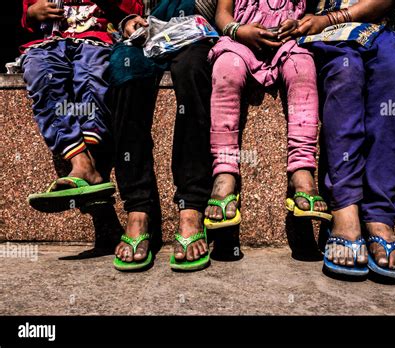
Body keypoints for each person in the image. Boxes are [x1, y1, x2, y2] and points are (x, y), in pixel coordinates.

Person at [293, 0, 395, 280]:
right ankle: (344, 208)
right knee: (346, 71)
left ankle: (379, 214)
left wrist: (336, 16)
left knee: (394, 68)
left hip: (377, 29)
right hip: (326, 35)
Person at [204, 0, 332, 232]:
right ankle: (224, 171)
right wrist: (239, 30)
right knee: (226, 71)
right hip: (239, 43)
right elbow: (223, 15)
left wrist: (297, 25)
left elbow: (312, 13)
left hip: (288, 45)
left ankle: (302, 169)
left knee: (302, 68)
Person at [108, 0, 218, 271]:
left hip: (197, 32)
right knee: (125, 69)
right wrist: (128, 21)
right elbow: (123, 9)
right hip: (149, 34)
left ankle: (191, 206)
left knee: (192, 70)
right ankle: (138, 208)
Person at [22, 0, 144, 212]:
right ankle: (81, 163)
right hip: (50, 43)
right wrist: (33, 13)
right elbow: (28, 15)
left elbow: (134, 10)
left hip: (95, 41)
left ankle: (93, 167)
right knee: (39, 74)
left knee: (92, 75)